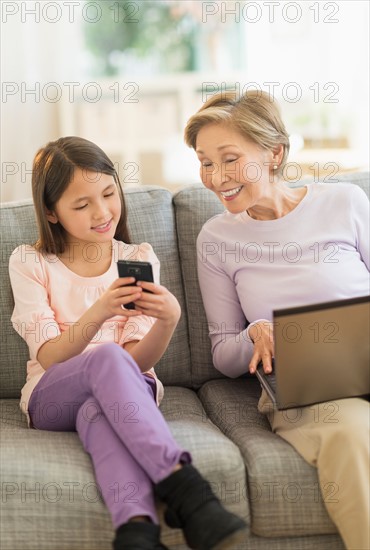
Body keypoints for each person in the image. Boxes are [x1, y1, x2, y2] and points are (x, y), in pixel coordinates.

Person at [8, 136, 247, 550]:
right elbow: (47, 356)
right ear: (51, 212)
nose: (102, 213)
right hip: (51, 395)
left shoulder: (137, 255)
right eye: (82, 206)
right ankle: (186, 489)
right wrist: (99, 311)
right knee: (105, 356)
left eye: (108, 194)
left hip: (130, 390)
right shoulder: (29, 261)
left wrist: (168, 320)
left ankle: (136, 531)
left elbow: (136, 363)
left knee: (98, 411)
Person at [184, 90, 370, 550]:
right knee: (351, 430)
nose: (216, 177)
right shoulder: (218, 239)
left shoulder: (345, 202)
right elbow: (225, 355)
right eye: (206, 162)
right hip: (307, 387)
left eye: (229, 159)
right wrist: (255, 333)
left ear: (274, 154)